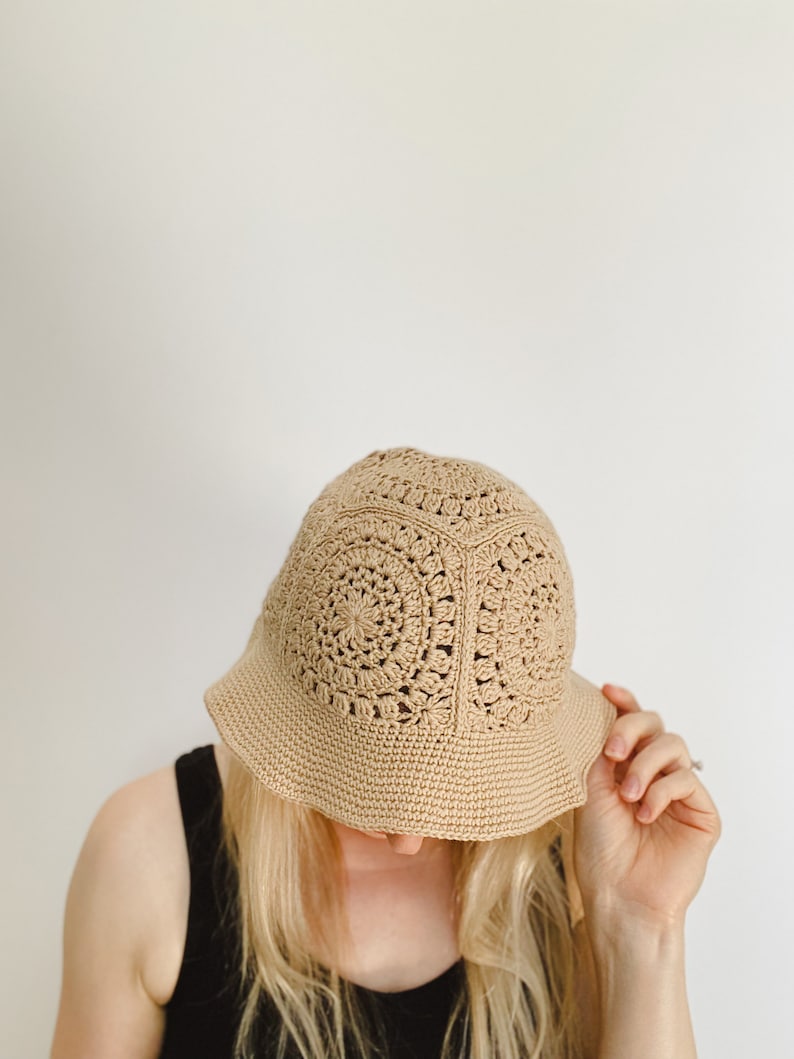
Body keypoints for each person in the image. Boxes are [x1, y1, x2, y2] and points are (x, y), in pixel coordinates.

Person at [50, 446, 720, 1059]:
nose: (409, 837)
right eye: (371, 775)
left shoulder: (578, 860)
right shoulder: (149, 852)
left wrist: (642, 925)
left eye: (459, 785)